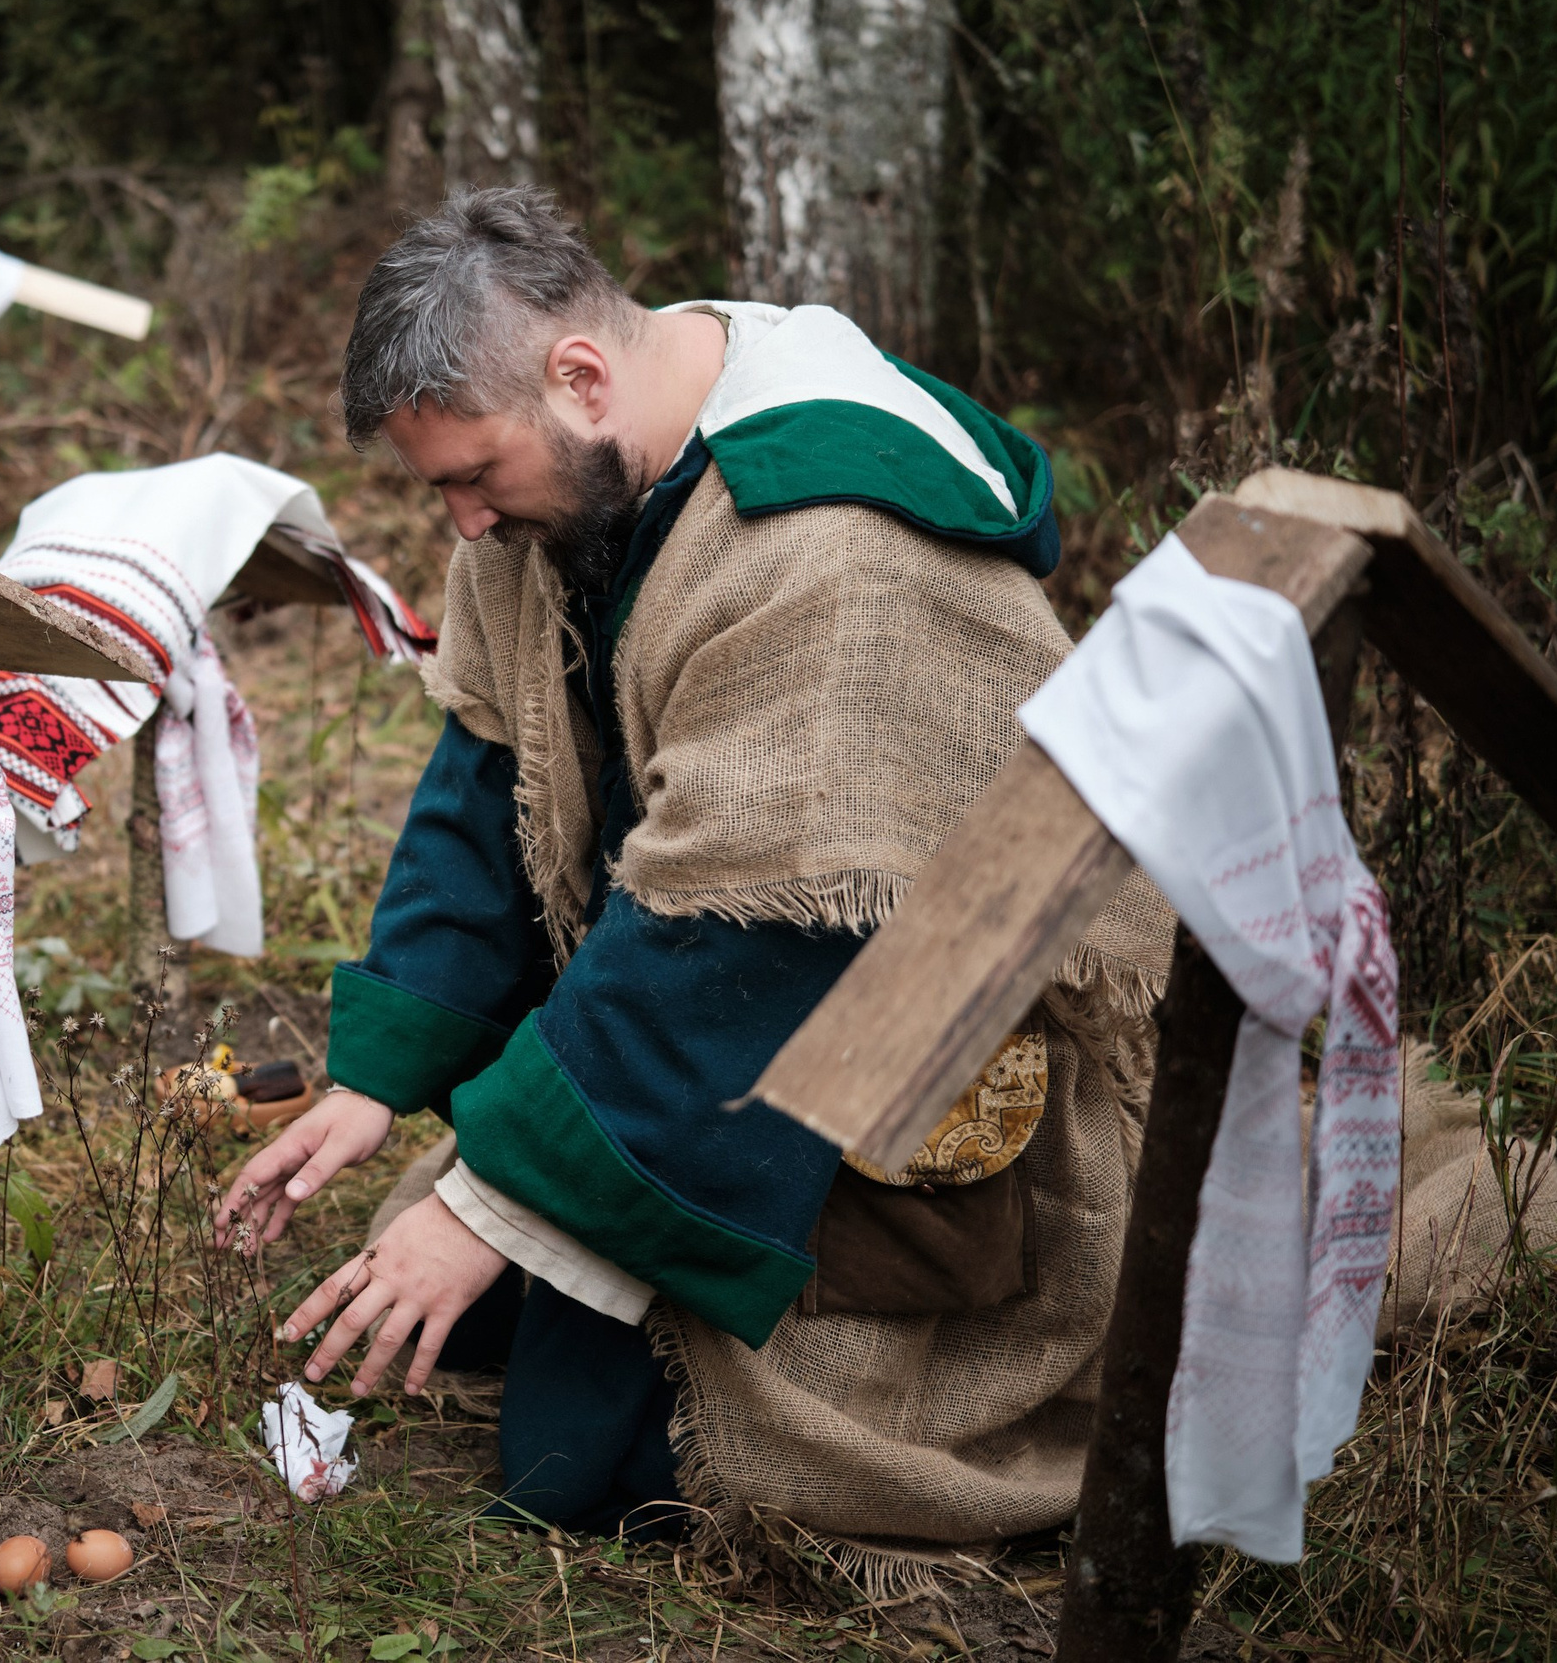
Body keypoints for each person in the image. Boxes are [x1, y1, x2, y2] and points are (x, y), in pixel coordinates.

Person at [216, 187, 1175, 1549]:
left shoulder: (835, 557)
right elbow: (494, 778)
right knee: (462, 1272)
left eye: (474, 477)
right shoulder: (584, 466)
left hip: (905, 1061)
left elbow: (747, 940)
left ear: (582, 376)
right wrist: (383, 1069)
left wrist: (499, 1204)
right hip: (712, 1011)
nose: (468, 527)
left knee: (589, 1459)